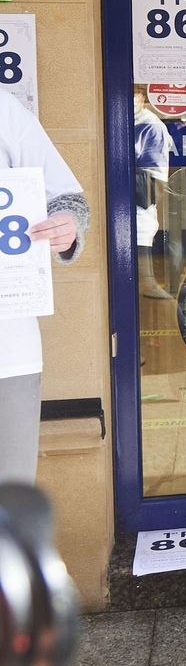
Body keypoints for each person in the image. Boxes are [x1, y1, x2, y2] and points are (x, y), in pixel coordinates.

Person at [0, 92, 89, 483]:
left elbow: (66, 197)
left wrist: (67, 225)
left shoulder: (3, 108)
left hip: (8, 349)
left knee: (11, 497)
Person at [132, 85, 173, 299]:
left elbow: (156, 179)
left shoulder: (151, 125)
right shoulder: (117, 118)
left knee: (142, 228)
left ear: (143, 97)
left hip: (139, 195)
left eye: (134, 94)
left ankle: (147, 282)